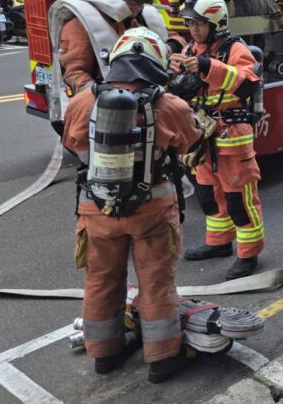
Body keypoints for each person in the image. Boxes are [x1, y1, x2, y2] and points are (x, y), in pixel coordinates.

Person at [63, 27, 200, 383]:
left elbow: (74, 145)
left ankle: (104, 355)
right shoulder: (169, 104)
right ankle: (162, 358)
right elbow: (189, 143)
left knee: (100, 281)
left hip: (96, 210)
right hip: (152, 209)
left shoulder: (83, 101)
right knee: (156, 283)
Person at [171, 0, 265, 280]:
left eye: (199, 24)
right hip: (201, 137)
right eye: (190, 23)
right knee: (208, 196)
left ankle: (249, 253)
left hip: (231, 135)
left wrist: (206, 67)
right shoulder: (191, 49)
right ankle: (219, 243)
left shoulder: (235, 49)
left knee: (239, 200)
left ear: (216, 23)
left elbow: (248, 83)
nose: (193, 29)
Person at [58, 0, 183, 94]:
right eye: (133, 2)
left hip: (143, 96)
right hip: (106, 105)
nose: (137, 8)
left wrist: (168, 48)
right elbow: (74, 73)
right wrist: (100, 96)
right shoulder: (82, 24)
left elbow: (173, 38)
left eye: (141, 3)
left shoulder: (139, 19)